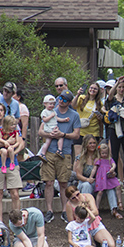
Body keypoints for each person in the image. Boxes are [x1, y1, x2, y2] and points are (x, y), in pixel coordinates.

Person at [39, 91, 81, 223]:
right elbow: (40, 131)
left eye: (65, 99)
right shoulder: (50, 110)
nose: (61, 100)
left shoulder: (74, 115)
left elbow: (77, 135)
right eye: (60, 98)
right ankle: (49, 211)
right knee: (49, 182)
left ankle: (64, 210)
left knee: (64, 183)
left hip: (65, 152)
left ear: (69, 102)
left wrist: (62, 134)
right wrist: (50, 134)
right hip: (49, 152)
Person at [0, 103, 23, 220]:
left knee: (15, 194)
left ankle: (16, 219)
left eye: (2, 110)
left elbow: (21, 143)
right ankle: (0, 221)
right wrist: (6, 142)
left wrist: (13, 151)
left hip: (12, 163)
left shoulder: (13, 126)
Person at [105, 78, 124, 185]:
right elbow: (110, 96)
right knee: (115, 154)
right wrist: (117, 83)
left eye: (123, 87)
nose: (121, 89)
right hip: (114, 129)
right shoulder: (113, 100)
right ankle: (116, 178)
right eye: (120, 87)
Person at [90, 141, 122, 219]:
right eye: (103, 153)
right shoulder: (99, 160)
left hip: (108, 177)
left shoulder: (109, 159)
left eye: (106, 153)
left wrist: (112, 169)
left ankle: (117, 206)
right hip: (101, 178)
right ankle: (96, 208)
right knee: (100, 192)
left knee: (115, 187)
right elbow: (94, 169)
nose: (104, 155)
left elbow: (114, 164)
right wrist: (91, 177)